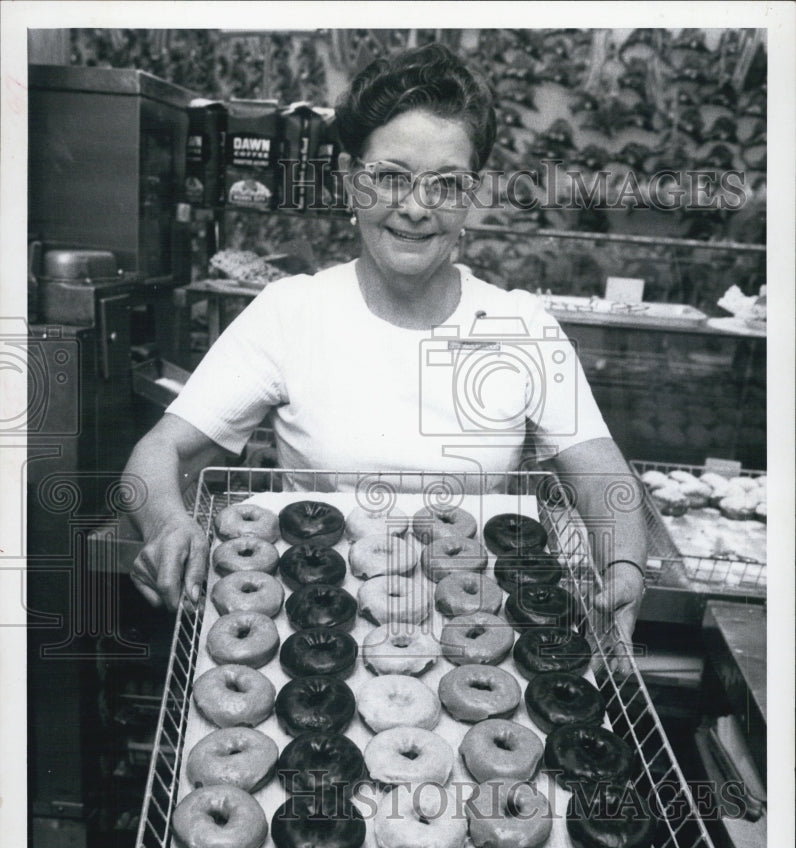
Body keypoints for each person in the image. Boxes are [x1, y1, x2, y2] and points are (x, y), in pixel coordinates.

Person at [124, 42, 646, 640]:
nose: (417, 208)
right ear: (351, 183)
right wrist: (167, 522)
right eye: (391, 178)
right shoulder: (292, 312)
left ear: (472, 195)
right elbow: (160, 451)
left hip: (476, 628)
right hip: (309, 624)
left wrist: (624, 566)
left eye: (446, 184)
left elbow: (603, 476)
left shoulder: (521, 325)